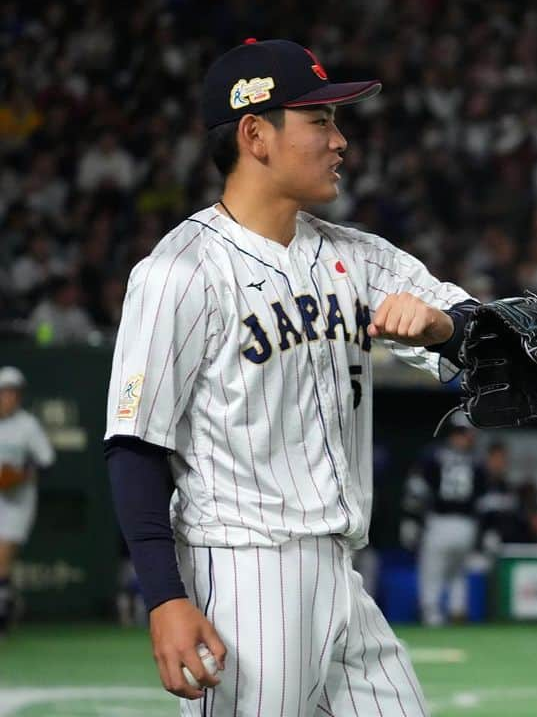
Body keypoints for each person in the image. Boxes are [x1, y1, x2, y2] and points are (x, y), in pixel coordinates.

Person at [104, 38, 478, 715]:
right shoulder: (178, 273)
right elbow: (136, 446)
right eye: (320, 121)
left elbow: (496, 337)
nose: (340, 141)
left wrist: (443, 327)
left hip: (341, 572)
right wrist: (164, 596)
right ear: (255, 134)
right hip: (243, 573)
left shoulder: (359, 258)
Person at [400, 412, 487, 626]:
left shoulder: (432, 455)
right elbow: (483, 499)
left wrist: (411, 519)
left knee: (433, 571)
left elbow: (416, 490)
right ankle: (457, 609)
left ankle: (432, 614)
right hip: (466, 525)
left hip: (439, 522)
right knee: (457, 572)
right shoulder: (477, 461)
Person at [0, 367, 56, 639]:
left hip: (16, 502)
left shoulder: (27, 425)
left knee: (2, 558)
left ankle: (3, 615)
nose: (8, 397)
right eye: (4, 392)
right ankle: (10, 602)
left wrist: (20, 474)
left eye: (12, 392)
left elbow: (46, 461)